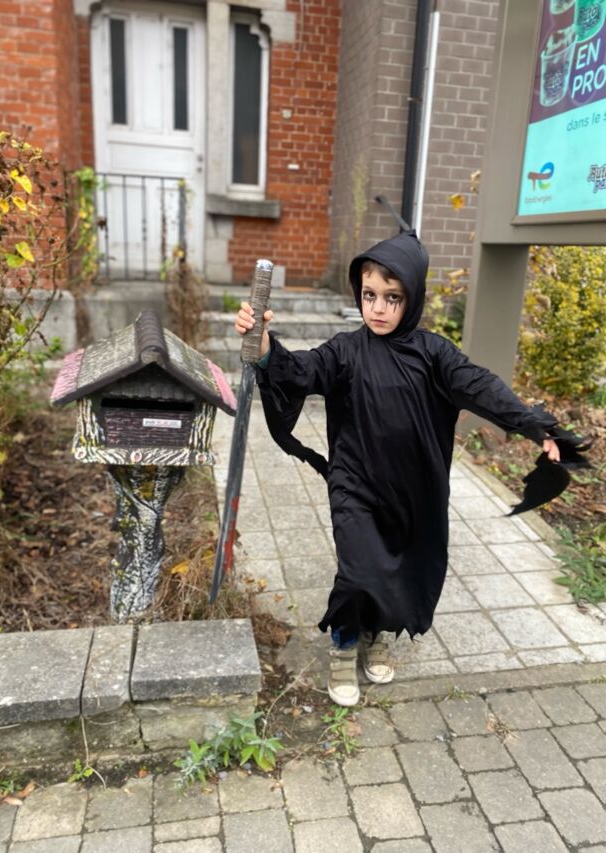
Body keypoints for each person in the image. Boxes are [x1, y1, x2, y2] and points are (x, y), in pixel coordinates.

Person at [233, 230, 568, 707]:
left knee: (400, 567)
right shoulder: (346, 350)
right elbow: (301, 370)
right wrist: (265, 344)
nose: (378, 308)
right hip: (354, 484)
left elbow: (481, 387)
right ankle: (345, 645)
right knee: (358, 570)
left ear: (412, 298)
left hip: (413, 489)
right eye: (369, 295)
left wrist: (535, 425)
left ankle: (378, 634)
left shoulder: (434, 355)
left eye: (393, 298)